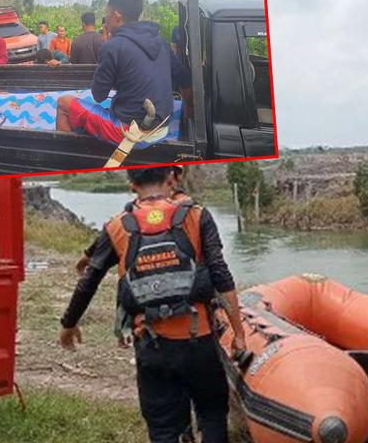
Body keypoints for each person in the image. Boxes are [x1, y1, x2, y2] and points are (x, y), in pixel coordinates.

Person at [60, 166, 246, 443]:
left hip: (152, 345)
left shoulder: (117, 225)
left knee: (163, 428)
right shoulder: (197, 216)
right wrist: (239, 334)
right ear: (170, 179)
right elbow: (221, 275)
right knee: (211, 415)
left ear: (131, 185)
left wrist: (69, 323)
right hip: (200, 342)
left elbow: (89, 279)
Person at [55, 0, 193, 145]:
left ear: (116, 16)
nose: (105, 21)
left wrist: (106, 48)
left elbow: (98, 95)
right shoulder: (162, 43)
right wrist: (188, 111)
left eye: (107, 14)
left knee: (63, 103)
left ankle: (67, 154)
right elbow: (185, 80)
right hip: (160, 129)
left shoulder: (113, 46)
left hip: (131, 132)